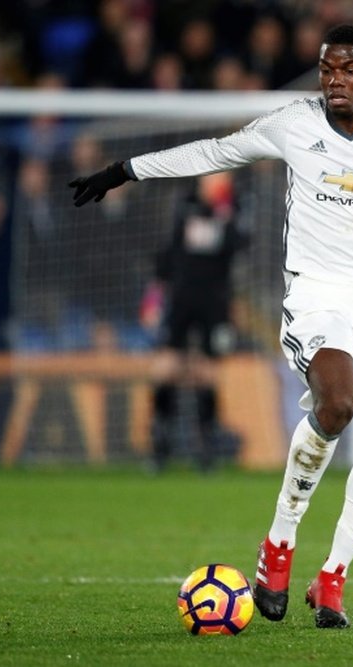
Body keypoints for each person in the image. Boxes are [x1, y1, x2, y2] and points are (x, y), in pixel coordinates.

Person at [69, 24, 353, 628]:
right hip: (316, 296)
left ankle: (333, 577)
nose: (334, 81)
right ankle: (279, 544)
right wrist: (125, 170)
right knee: (338, 403)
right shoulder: (295, 122)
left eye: (347, 70)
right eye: (326, 70)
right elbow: (215, 151)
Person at [150, 172, 249, 471]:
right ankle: (160, 442)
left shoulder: (235, 211)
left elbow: (239, 246)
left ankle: (206, 445)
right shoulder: (184, 207)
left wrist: (225, 215)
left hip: (214, 303)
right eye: (213, 179)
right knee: (166, 366)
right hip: (181, 300)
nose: (218, 184)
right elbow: (166, 257)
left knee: (207, 370)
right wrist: (152, 301)